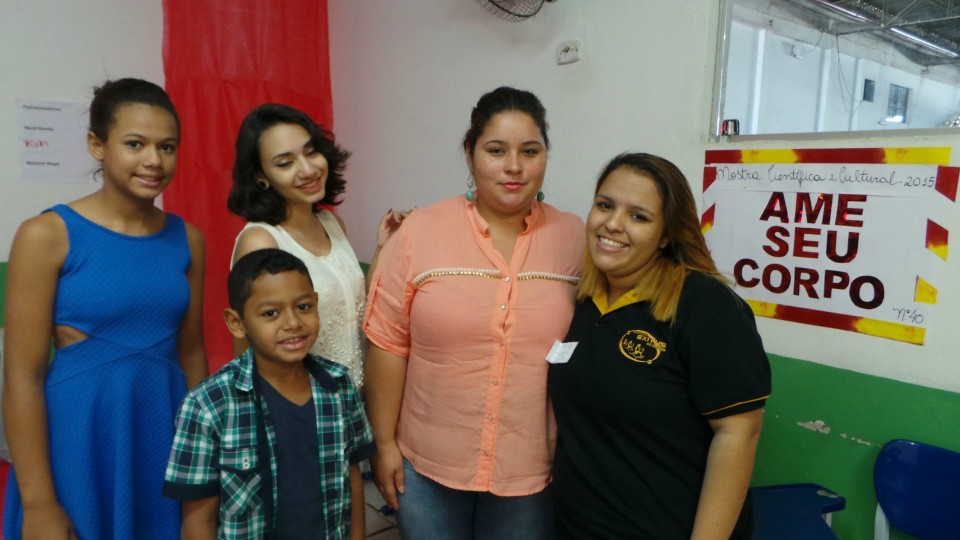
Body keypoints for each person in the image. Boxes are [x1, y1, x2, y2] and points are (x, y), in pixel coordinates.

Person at [363, 86, 584, 539]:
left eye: (530, 150)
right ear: (470, 153)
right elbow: (387, 343)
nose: (514, 167)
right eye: (496, 150)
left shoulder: (573, 237)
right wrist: (383, 444)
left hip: (529, 468)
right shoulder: (420, 232)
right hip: (426, 464)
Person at [3, 78, 208, 539]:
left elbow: (192, 354)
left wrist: (202, 456)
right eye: (135, 144)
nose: (153, 160)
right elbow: (22, 376)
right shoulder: (46, 234)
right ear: (98, 145)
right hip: (79, 440)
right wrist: (38, 503)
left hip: (163, 431)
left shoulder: (187, 239)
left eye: (167, 146)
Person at [548, 152, 772, 539]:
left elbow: (739, 433)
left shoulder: (704, 305)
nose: (612, 224)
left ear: (666, 235)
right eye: (605, 205)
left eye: (639, 216)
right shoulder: (586, 300)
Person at [163, 248, 376, 540]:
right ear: (237, 323)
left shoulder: (339, 386)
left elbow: (352, 476)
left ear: (316, 304)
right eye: (271, 313)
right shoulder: (207, 406)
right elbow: (198, 519)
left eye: (303, 307)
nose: (292, 323)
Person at [228, 103, 406, 388]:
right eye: (286, 163)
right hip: (303, 407)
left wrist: (383, 249)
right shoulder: (262, 240)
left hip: (353, 403)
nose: (308, 169)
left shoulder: (331, 224)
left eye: (311, 152)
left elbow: (354, 305)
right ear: (261, 177)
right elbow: (248, 343)